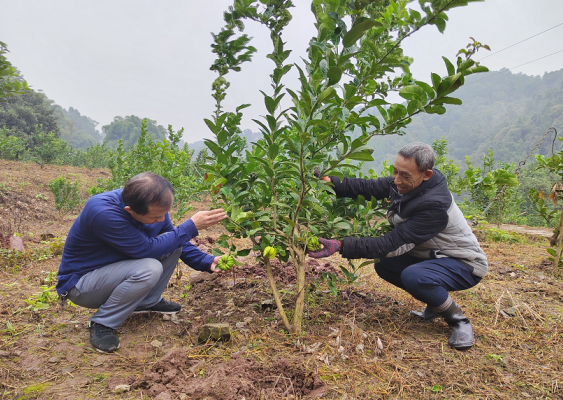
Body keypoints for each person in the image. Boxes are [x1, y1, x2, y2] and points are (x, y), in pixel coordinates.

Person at [309, 142, 488, 350]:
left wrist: (341, 245)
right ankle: (434, 302)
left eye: (404, 175)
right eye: (395, 172)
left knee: (414, 276)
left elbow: (390, 244)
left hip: (464, 264)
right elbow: (368, 187)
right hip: (433, 256)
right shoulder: (407, 183)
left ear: (426, 174)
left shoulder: (434, 205)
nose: (397, 180)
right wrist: (330, 182)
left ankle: (458, 320)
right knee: (385, 264)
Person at [56, 172, 227, 353]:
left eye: (164, 214)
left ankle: (146, 302)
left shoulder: (151, 203)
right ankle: (102, 323)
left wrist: (207, 261)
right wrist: (189, 226)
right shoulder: (103, 213)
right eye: (155, 217)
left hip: (115, 270)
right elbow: (145, 250)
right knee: (149, 268)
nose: (161, 220)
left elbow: (176, 240)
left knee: (173, 244)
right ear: (130, 210)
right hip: (83, 285)